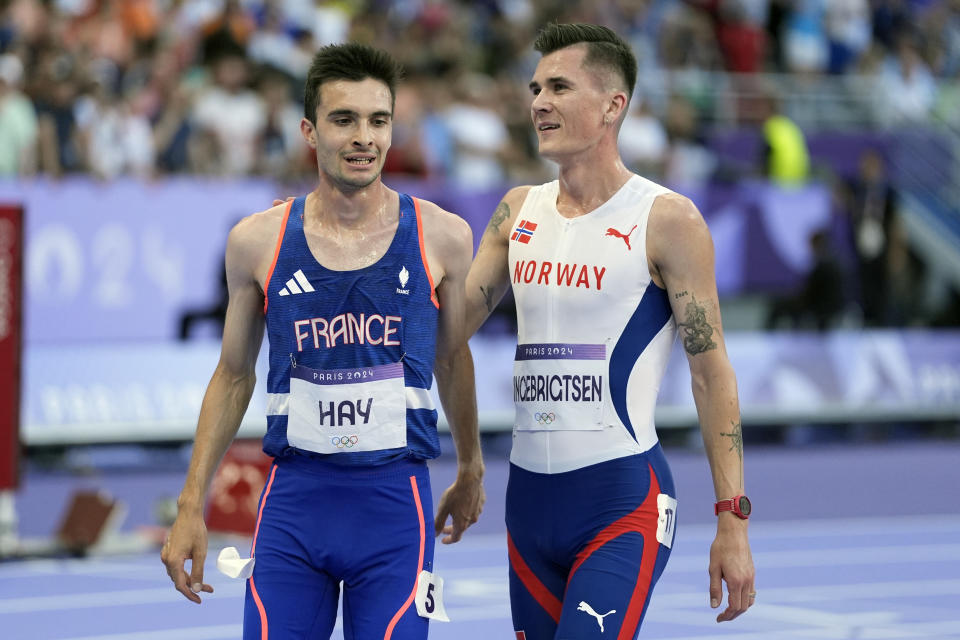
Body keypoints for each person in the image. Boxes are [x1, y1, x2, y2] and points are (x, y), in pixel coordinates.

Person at [161, 43, 485, 640]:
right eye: (344, 120)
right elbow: (233, 375)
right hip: (294, 508)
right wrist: (190, 504)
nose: (364, 137)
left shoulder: (445, 236)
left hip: (395, 512)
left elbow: (451, 357)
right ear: (310, 130)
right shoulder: (257, 242)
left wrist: (472, 467)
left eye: (378, 120)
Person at [464, 23, 755, 638]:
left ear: (612, 106)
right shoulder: (517, 211)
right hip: (528, 507)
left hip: (620, 503)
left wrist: (733, 519)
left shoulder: (667, 219)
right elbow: (449, 327)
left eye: (560, 87)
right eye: (536, 87)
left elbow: (711, 373)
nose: (538, 102)